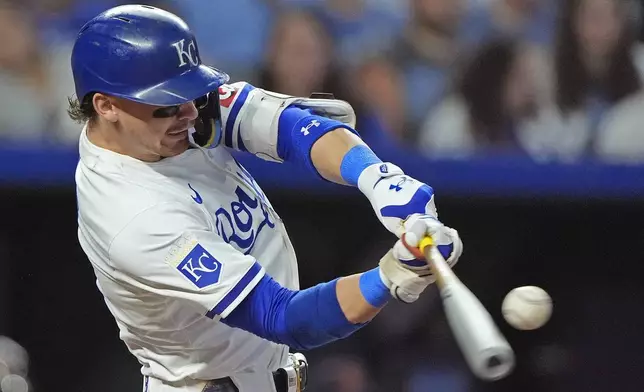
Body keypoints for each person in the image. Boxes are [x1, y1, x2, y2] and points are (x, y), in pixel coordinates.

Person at [70, 5, 463, 392]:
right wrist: (392, 275)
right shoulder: (133, 215)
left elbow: (294, 129)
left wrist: (377, 178)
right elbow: (284, 316)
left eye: (191, 91)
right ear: (107, 105)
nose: (190, 111)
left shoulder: (162, 124)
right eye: (169, 102)